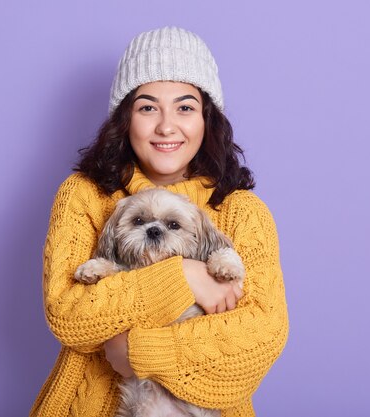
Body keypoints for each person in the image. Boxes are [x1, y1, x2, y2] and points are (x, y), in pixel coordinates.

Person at [29, 26, 289, 417]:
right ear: (125, 119)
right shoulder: (84, 194)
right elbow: (68, 315)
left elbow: (260, 336)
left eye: (185, 107)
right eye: (148, 107)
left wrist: (135, 350)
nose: (166, 126)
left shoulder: (244, 212)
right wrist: (182, 276)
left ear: (207, 119)